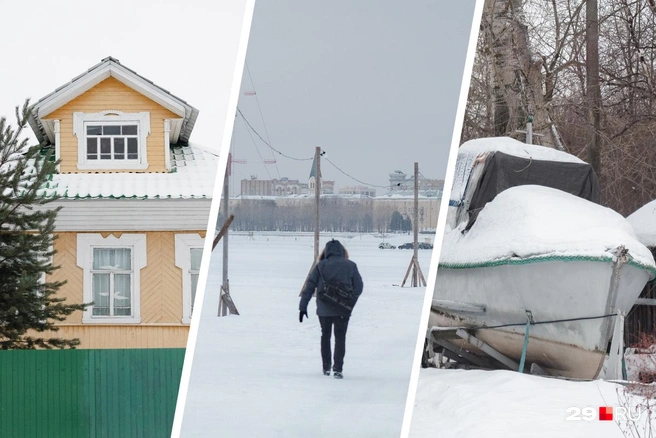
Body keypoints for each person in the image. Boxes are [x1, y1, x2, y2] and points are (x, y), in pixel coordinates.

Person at [299, 239, 363, 379]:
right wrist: (349, 300)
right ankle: (338, 369)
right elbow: (359, 287)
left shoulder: (320, 266)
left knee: (325, 336)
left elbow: (309, 287)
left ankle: (326, 367)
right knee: (340, 338)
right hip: (343, 309)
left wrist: (303, 307)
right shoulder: (350, 266)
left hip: (324, 309)